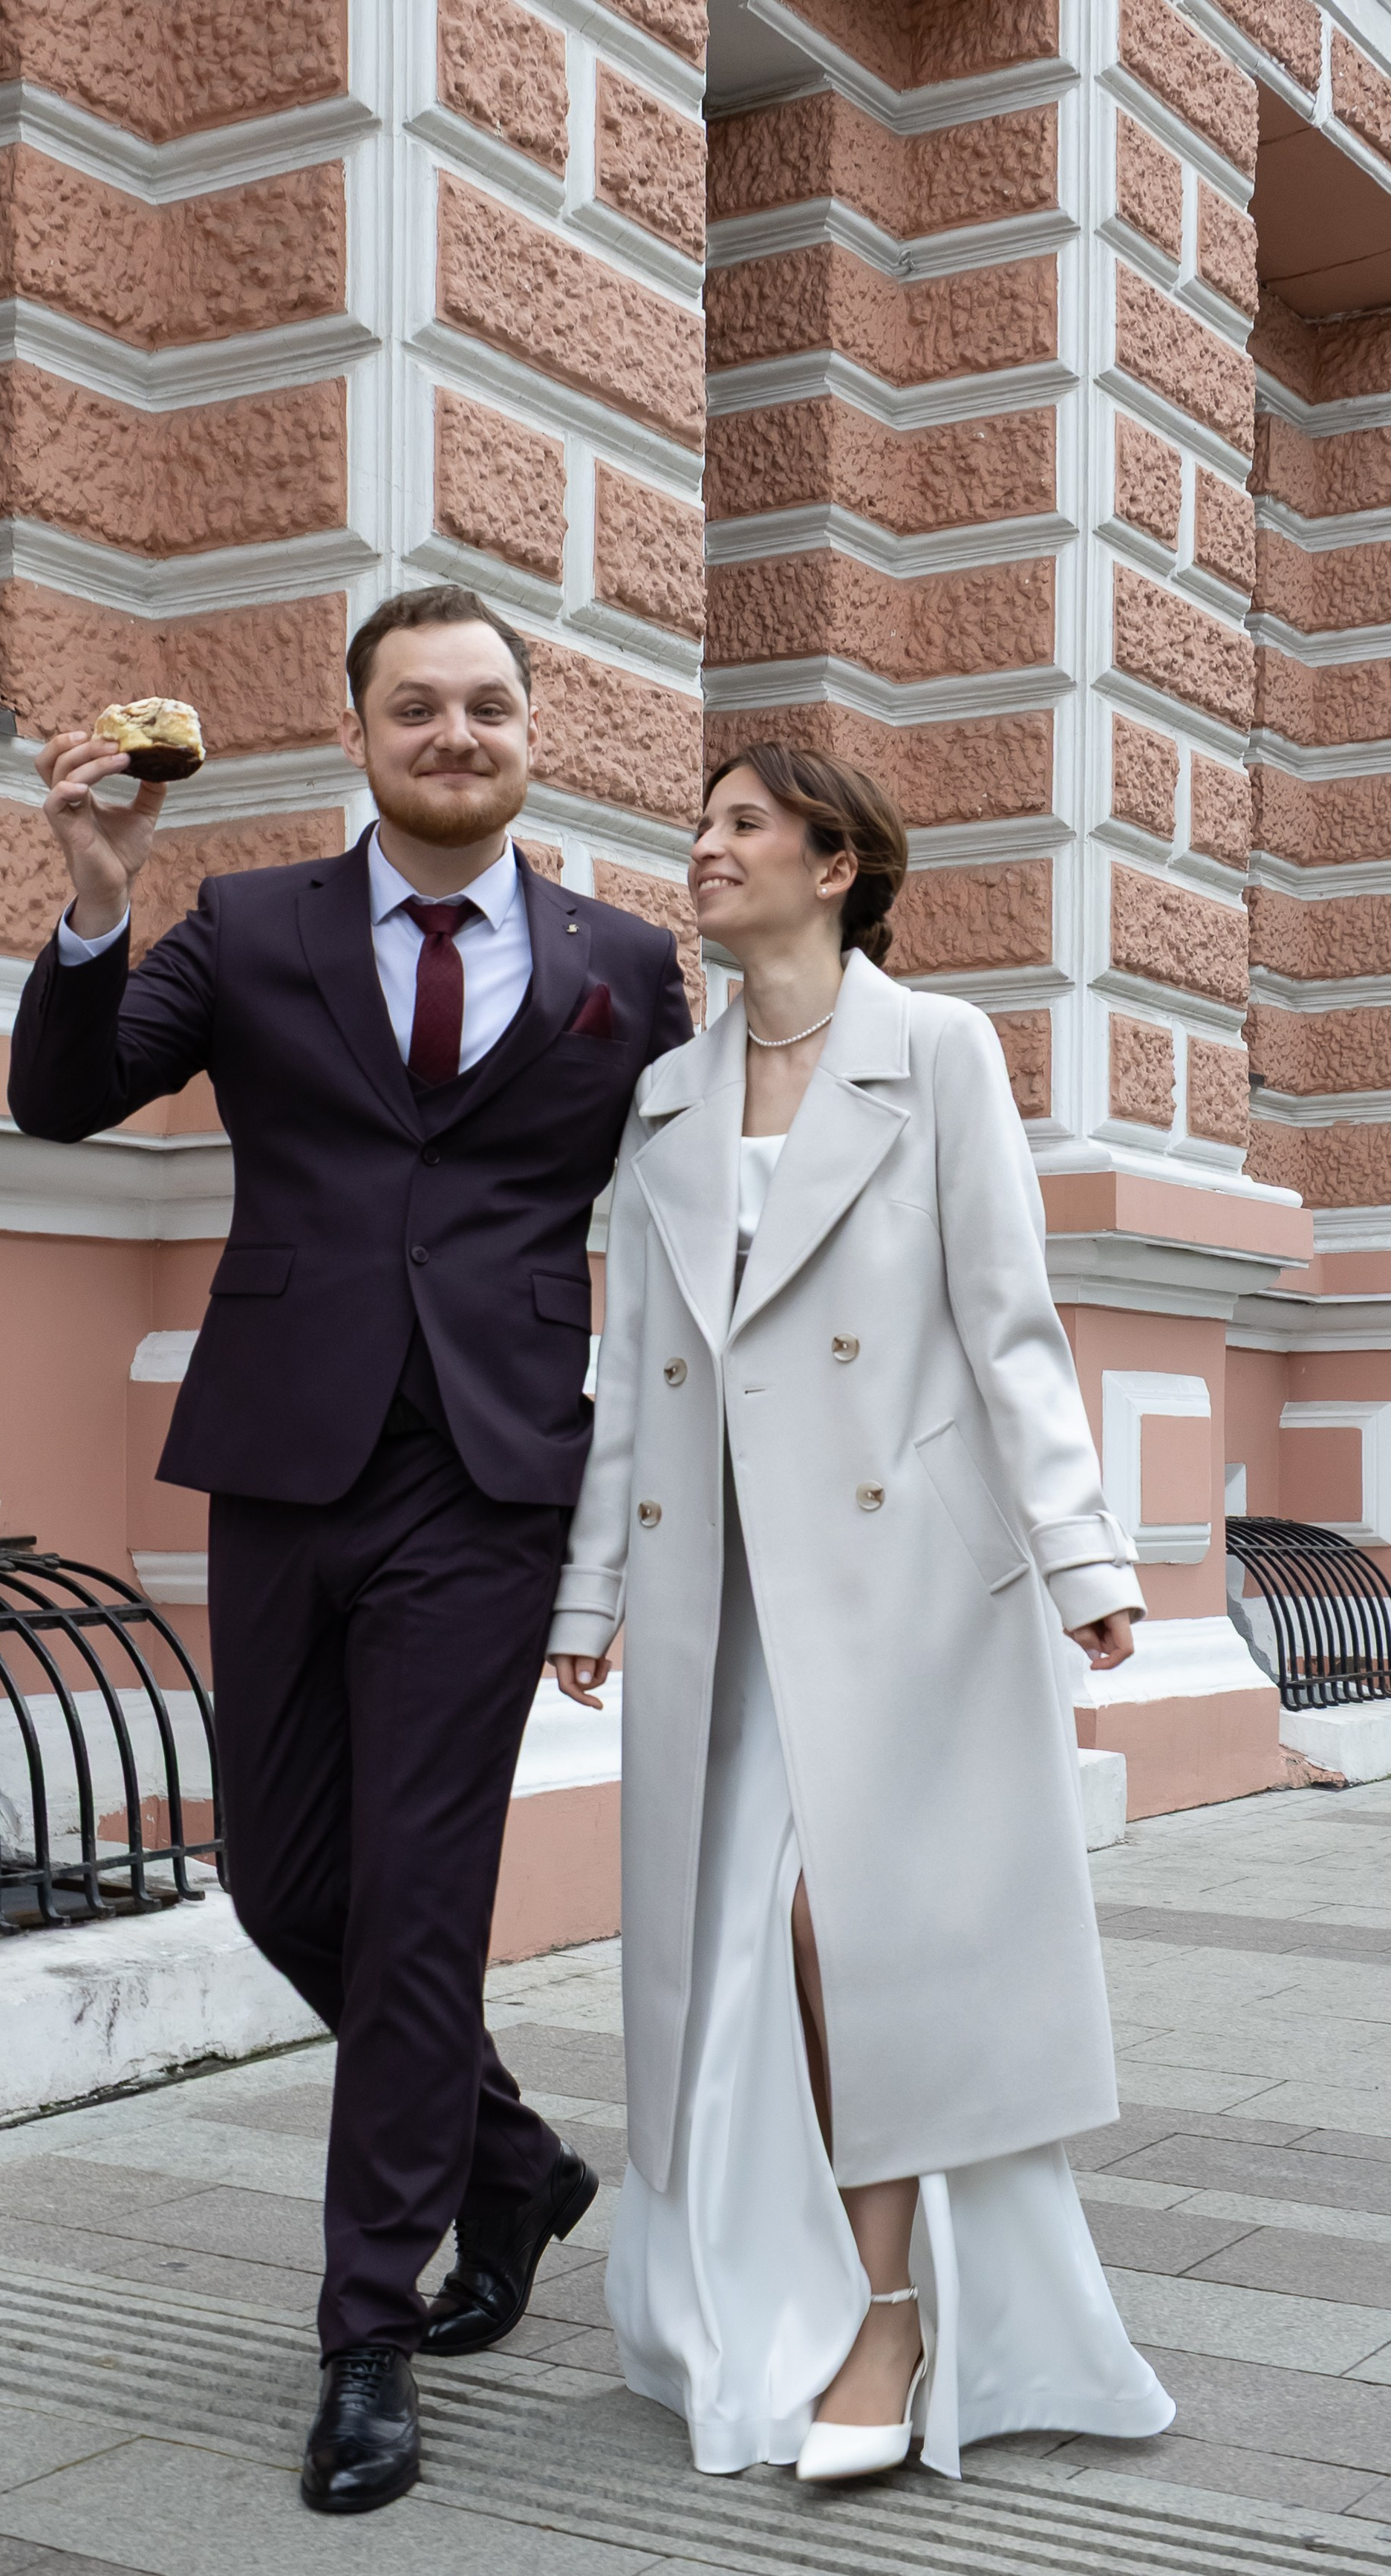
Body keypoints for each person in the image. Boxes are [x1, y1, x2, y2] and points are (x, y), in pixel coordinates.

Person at [8, 585, 693, 2513]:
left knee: (415, 1901)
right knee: (282, 1882)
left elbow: (709, 1214)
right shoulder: (249, 926)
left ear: (531, 731)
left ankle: (366, 2332)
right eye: (417, 707)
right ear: (358, 734)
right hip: (286, 1460)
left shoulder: (628, 965)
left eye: (487, 705)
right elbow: (61, 1101)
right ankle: (515, 2165)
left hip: (490, 1478)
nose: (454, 734)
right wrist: (97, 897)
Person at [550, 743, 1175, 2481]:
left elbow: (1008, 1319)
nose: (705, 848)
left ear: (836, 867)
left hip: (906, 1592)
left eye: (743, 825)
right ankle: (756, 2305)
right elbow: (635, 1371)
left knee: (858, 1938)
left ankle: (887, 2321)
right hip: (722, 1600)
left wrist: (1083, 1555)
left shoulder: (938, 1051)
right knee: (734, 1963)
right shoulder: (667, 1097)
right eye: (701, 823)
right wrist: (594, 1588)